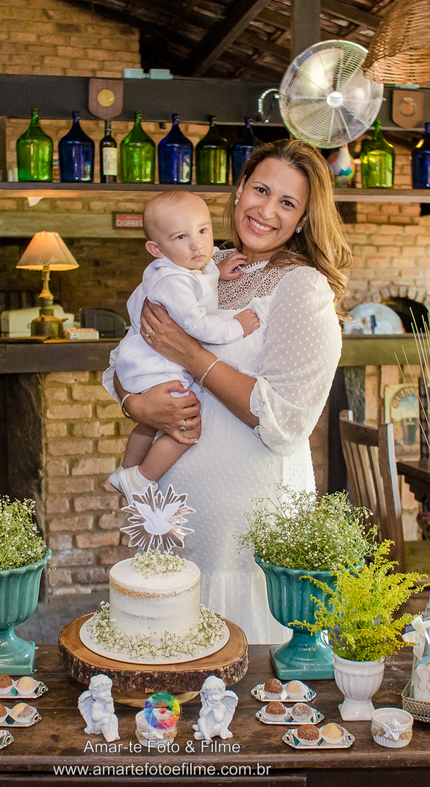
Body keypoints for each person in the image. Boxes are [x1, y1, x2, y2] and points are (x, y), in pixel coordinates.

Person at [102, 139, 351, 644]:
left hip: (246, 534)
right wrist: (137, 403)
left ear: (303, 218)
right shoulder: (201, 266)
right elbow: (125, 357)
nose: (266, 210)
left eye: (287, 203)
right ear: (239, 191)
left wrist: (191, 355)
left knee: (244, 688)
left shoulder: (301, 287)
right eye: (260, 190)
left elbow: (285, 421)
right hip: (179, 520)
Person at [107, 191, 260, 500]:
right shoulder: (171, 280)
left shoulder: (180, 268)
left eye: (203, 230)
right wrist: (236, 327)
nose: (197, 244)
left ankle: (125, 471)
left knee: (150, 425)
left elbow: (199, 280)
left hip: (142, 362)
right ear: (156, 249)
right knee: (186, 428)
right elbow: (196, 323)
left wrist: (219, 272)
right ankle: (140, 479)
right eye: (181, 236)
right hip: (158, 365)